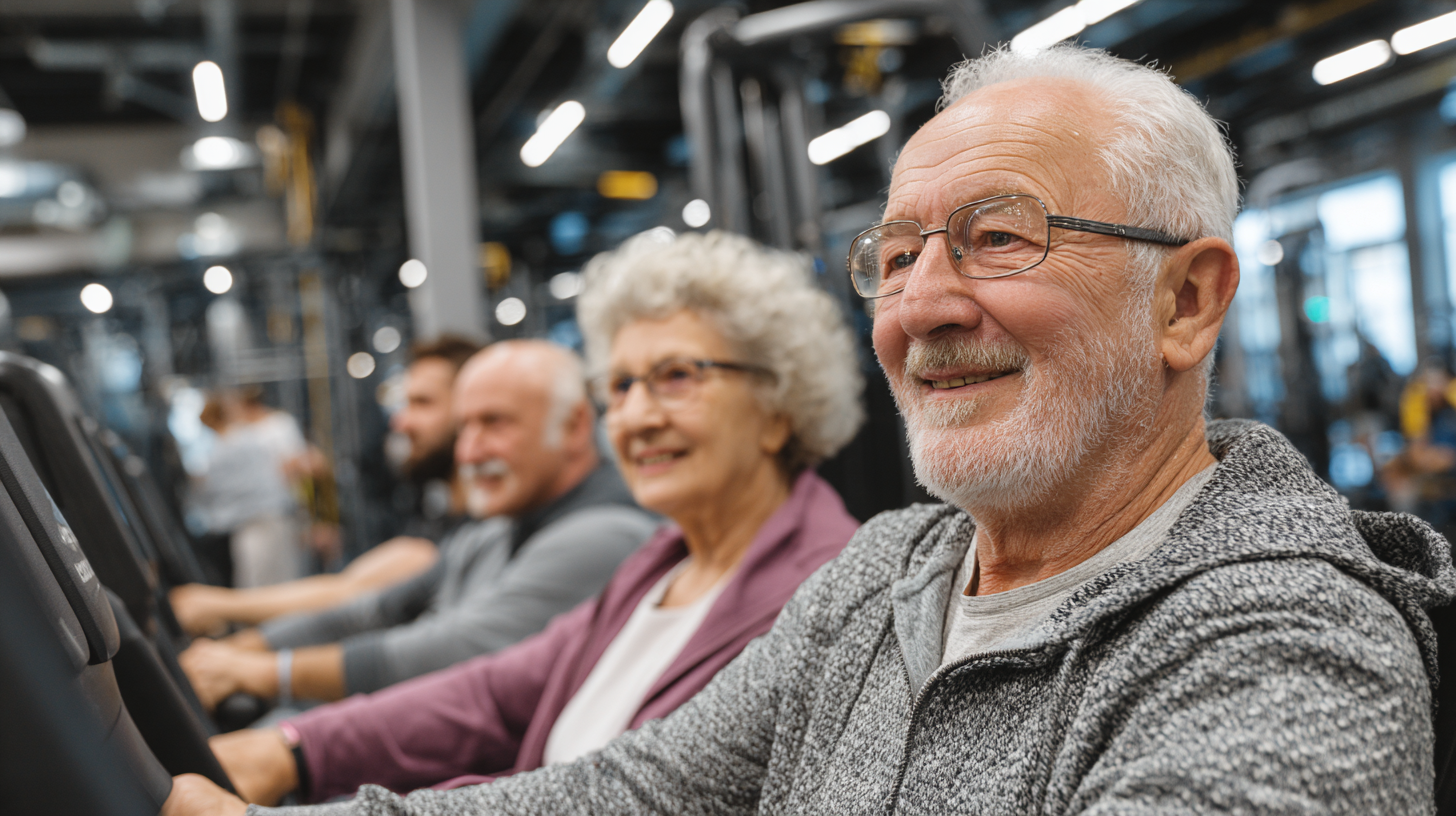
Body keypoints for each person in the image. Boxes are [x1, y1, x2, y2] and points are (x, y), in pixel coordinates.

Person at [167, 45, 1455, 816]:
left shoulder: (1289, 649)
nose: (925, 305)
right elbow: (637, 792)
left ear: (1186, 300)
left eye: (997, 238)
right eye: (895, 256)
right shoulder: (887, 574)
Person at [169, 231, 865, 808]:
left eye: (678, 376)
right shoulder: (662, 563)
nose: (638, 416)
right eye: (620, 386)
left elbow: (610, 798)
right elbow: (494, 695)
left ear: (777, 407)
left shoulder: (819, 592)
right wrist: (295, 750)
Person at [177, 340, 657, 712]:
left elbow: (447, 652)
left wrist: (271, 688)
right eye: (466, 426)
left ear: (574, 427)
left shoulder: (602, 533)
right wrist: (242, 654)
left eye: (494, 423)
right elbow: (367, 610)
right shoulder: (491, 531)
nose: (468, 450)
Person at [169, 336, 482, 637]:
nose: (400, 422)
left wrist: (229, 618)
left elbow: (350, 593)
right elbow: (350, 586)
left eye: (423, 403)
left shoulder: (470, 535)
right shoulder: (444, 522)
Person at [192, 391, 307, 588]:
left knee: (261, 584)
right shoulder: (240, 441)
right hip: (266, 519)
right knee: (278, 580)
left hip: (258, 522)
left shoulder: (230, 446)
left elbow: (210, 490)